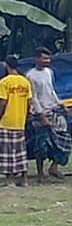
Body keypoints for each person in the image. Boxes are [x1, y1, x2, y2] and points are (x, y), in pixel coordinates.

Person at [26, 47, 72, 182]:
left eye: (48, 58)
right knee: (41, 145)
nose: (48, 61)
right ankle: (41, 174)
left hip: (53, 111)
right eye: (44, 58)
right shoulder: (30, 76)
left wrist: (62, 104)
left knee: (64, 140)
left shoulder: (48, 72)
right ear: (37, 59)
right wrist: (42, 116)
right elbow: (33, 98)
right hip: (40, 114)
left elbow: (51, 91)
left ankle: (54, 167)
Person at [0, 56, 31, 187]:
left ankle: (10, 180)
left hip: (7, 121)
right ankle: (24, 179)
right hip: (20, 121)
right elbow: (29, 103)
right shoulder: (25, 82)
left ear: (7, 65)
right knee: (20, 151)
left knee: (7, 152)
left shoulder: (4, 82)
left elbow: (3, 102)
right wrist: (25, 115)